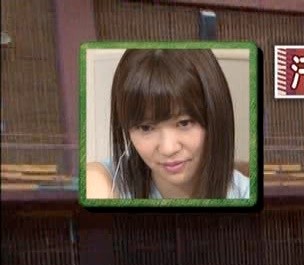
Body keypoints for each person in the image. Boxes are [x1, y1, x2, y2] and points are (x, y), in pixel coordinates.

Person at [85, 48, 251, 200]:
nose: (168, 149)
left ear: (215, 116)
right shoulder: (104, 181)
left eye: (184, 123)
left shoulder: (245, 194)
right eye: (146, 128)